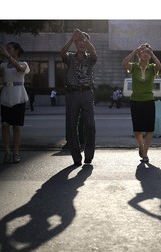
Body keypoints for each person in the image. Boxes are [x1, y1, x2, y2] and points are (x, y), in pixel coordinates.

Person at [61, 28, 97, 166]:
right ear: (75, 44)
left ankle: (88, 155)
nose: (81, 43)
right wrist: (72, 39)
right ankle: (76, 157)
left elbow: (93, 52)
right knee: (71, 125)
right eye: (79, 41)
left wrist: (81, 35)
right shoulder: (70, 57)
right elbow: (62, 53)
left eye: (84, 41)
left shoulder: (91, 58)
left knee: (90, 125)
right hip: (72, 94)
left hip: (87, 93)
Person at [122, 43, 161, 163]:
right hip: (136, 101)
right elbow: (124, 63)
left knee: (149, 129)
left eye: (147, 52)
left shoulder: (152, 68)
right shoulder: (134, 67)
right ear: (139, 54)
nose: (145, 54)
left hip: (149, 101)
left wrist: (152, 53)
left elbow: (159, 66)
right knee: (137, 130)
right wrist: (135, 51)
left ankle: (145, 153)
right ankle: (140, 145)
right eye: (143, 52)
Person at [0, 42, 30, 164]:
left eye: (9, 48)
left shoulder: (23, 64)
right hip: (6, 96)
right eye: (6, 49)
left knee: (17, 127)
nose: (7, 50)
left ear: (16, 51)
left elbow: (20, 69)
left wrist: (8, 56)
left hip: (19, 96)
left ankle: (16, 152)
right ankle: (7, 152)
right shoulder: (4, 65)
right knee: (4, 125)